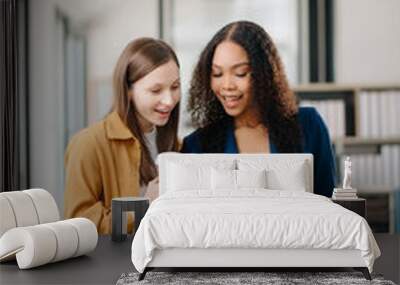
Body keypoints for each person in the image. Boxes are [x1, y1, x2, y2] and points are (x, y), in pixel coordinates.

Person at [181, 21, 336, 197]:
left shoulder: (308, 125)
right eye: (217, 74)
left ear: (264, 74)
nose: (226, 85)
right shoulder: (197, 144)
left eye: (240, 73)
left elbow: (328, 202)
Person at [64, 38, 181, 234]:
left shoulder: (175, 144)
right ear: (128, 90)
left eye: (175, 87)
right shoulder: (88, 144)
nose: (169, 100)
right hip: (117, 263)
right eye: (156, 90)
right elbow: (78, 225)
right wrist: (144, 207)